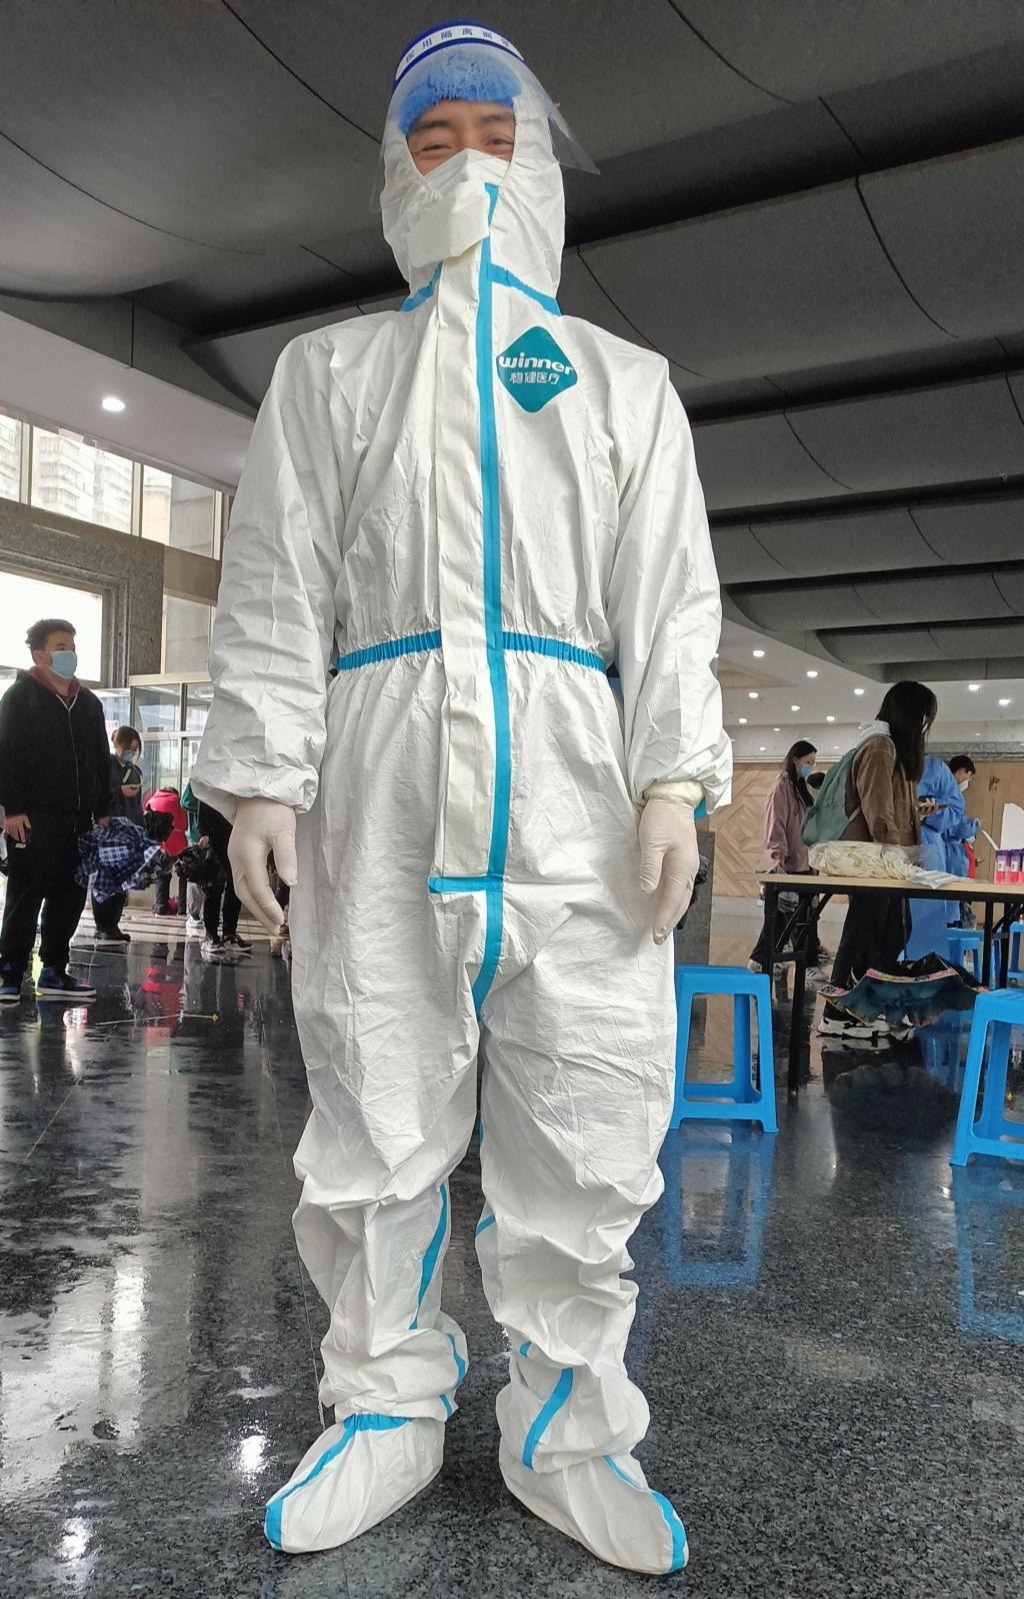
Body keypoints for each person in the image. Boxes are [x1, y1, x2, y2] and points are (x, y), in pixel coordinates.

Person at [192, 23, 729, 1577]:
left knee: (587, 1112)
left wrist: (674, 776)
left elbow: (670, 602)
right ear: (391, 173)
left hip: (572, 789)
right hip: (384, 775)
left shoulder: (625, 383)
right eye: (433, 143)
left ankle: (571, 1426)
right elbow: (277, 582)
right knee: (375, 1102)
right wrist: (262, 778)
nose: (469, 167)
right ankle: (385, 1408)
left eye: (498, 137)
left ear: (541, 162)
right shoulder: (329, 374)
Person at [819, 681, 937, 1039]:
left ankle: (865, 1007)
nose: (924, 727)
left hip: (886, 866)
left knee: (886, 933)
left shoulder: (891, 749)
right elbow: (879, 818)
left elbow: (890, 811)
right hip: (875, 865)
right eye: (923, 718)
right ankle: (839, 1013)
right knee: (865, 936)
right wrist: (900, 857)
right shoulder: (879, 747)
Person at [0, 618, 110, 1003]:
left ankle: (53, 971)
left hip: (79, 820)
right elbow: (7, 755)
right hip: (33, 819)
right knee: (26, 894)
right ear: (40, 655)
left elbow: (101, 759)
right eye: (62, 648)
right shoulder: (20, 698)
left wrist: (102, 809)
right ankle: (10, 971)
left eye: (72, 648)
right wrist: (12, 809)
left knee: (70, 895)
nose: (70, 655)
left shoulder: (89, 704)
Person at [748, 740, 828, 979]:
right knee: (783, 919)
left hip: (804, 865)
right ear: (795, 760)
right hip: (787, 866)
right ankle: (765, 959)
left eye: (813, 763)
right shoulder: (781, 789)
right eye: (808, 762)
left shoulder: (800, 789)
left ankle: (775, 960)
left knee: (801, 919)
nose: (810, 767)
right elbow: (776, 827)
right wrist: (777, 863)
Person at [91, 725, 143, 945]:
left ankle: (113, 924)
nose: (131, 752)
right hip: (107, 830)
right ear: (117, 745)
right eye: (128, 748)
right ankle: (102, 925)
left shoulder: (135, 771)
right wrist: (119, 792)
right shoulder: (105, 767)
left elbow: (137, 805)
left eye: (135, 749)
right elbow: (96, 795)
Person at [197, 799, 249, 961]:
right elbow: (204, 796)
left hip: (235, 831)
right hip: (215, 834)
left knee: (236, 884)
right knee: (215, 885)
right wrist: (204, 831)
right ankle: (211, 934)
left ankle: (229, 933)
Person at [145, 787, 188, 914]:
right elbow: (184, 824)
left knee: (161, 873)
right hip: (176, 841)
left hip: (158, 842)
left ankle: (161, 906)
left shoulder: (151, 801)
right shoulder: (177, 800)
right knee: (184, 873)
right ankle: (182, 908)